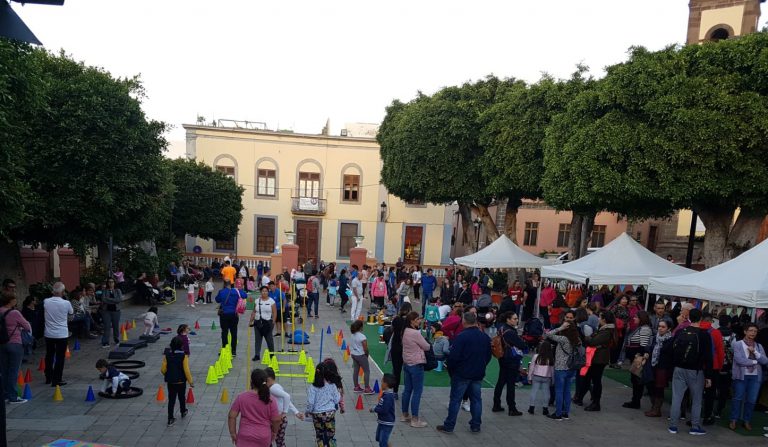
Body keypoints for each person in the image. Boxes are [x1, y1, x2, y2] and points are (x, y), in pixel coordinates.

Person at [436, 311, 492, 434]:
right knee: (476, 399)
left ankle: (449, 425)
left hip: (462, 373)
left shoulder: (461, 337)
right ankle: (476, 424)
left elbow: (454, 357)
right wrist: (481, 366)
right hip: (477, 373)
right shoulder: (484, 337)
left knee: (455, 400)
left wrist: (452, 370)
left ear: (464, 321)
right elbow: (488, 356)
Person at [668, 308, 712, 436]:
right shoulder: (704, 335)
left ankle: (673, 426)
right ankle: (695, 426)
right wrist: (709, 376)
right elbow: (708, 357)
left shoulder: (681, 331)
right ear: (701, 319)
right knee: (697, 399)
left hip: (678, 368)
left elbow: (672, 349)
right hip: (696, 371)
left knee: (677, 398)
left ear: (689, 317)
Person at [729, 323, 768, 431]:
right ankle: (733, 419)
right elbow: (739, 360)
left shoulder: (759, 346)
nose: (753, 333)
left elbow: (765, 361)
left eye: (755, 331)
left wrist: (754, 351)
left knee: (751, 400)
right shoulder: (738, 344)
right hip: (741, 376)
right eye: (751, 330)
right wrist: (756, 361)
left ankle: (746, 420)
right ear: (745, 331)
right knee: (737, 398)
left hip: (755, 377)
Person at [575, 310, 616, 411]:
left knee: (595, 380)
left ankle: (596, 403)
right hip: (596, 358)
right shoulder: (605, 329)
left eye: (600, 317)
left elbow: (593, 341)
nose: (598, 319)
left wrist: (587, 338)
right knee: (588, 378)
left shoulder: (607, 331)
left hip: (599, 359)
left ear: (604, 320)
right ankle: (579, 397)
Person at [543, 315, 581, 420]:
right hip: (571, 368)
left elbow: (548, 334)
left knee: (559, 391)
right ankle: (565, 413)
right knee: (567, 391)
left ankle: (558, 413)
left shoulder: (563, 339)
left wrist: (561, 328)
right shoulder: (577, 340)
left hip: (560, 368)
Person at [229, 368, 281, 446]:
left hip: (245, 435)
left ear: (251, 382)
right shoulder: (270, 399)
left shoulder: (241, 397)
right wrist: (274, 432)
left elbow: (231, 416)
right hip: (263, 436)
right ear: (265, 382)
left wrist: (233, 433)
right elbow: (276, 420)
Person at [492, 311, 527, 416]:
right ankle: (512, 408)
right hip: (511, 359)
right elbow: (521, 344)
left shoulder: (502, 328)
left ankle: (496, 404)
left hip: (502, 357)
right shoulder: (511, 332)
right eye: (514, 319)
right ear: (508, 319)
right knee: (510, 384)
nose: (517, 320)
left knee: (501, 381)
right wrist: (523, 343)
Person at [1, 291, 32, 403]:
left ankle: (4, 395)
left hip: (2, 344)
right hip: (15, 344)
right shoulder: (14, 313)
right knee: (14, 371)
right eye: (15, 299)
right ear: (11, 301)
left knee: (4, 370)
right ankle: (13, 397)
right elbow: (27, 326)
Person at [401, 311, 430, 428]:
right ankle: (415, 419)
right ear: (412, 321)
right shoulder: (415, 333)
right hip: (416, 364)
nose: (420, 321)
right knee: (417, 392)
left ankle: (404, 414)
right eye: (418, 319)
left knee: (407, 390)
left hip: (407, 363)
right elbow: (426, 346)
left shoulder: (405, 331)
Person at [306, 362, 342, 446]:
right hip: (330, 414)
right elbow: (337, 400)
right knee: (331, 437)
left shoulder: (313, 387)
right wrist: (339, 393)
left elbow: (310, 402)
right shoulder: (332, 385)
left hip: (317, 414)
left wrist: (308, 411)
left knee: (320, 436)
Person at [43, 282, 72, 387]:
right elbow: (71, 314)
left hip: (49, 333)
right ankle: (57, 379)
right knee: (60, 357)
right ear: (63, 292)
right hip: (62, 334)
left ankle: (48, 377)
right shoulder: (66, 303)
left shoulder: (46, 301)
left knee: (49, 355)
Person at [265, 367, 303, 447]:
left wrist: (284, 412)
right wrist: (296, 412)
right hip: (282, 420)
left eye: (265, 381)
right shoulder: (277, 385)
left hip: (278, 419)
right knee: (280, 441)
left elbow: (287, 396)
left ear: (269, 379)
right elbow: (286, 399)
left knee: (269, 441)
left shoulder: (272, 388)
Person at [623, 311, 653, 409]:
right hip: (636, 358)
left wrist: (638, 356)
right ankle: (635, 400)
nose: (634, 319)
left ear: (641, 318)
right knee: (635, 380)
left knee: (637, 381)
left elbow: (644, 345)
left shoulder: (644, 329)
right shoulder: (641, 328)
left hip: (638, 359)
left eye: (636, 317)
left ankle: (636, 402)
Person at [644, 319, 674, 417]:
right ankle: (654, 408)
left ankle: (657, 410)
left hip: (663, 367)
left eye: (663, 327)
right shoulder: (655, 337)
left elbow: (669, 355)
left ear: (669, 328)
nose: (660, 329)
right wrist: (647, 352)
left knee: (659, 388)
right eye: (659, 326)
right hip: (653, 365)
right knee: (651, 385)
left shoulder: (670, 340)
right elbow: (650, 348)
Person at [162, 336, 194, 426]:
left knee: (171, 399)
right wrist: (190, 381)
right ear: (181, 346)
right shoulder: (183, 356)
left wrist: (168, 374)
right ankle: (183, 411)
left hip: (171, 381)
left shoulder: (167, 355)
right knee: (181, 396)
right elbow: (186, 370)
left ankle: (170, 418)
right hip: (181, 381)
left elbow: (163, 369)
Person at [700, 312, 725, 425]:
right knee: (710, 393)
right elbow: (720, 352)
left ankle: (690, 415)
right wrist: (719, 367)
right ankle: (707, 416)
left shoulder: (695, 329)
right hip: (713, 367)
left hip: (697, 366)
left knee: (696, 392)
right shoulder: (715, 333)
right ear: (711, 321)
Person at [216, 280, 247, 357]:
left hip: (224, 315)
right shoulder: (236, 291)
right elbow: (245, 295)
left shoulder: (221, 291)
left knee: (224, 332)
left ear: (224, 284)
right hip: (234, 314)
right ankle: (233, 351)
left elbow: (217, 300)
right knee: (234, 332)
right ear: (231, 284)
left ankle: (225, 349)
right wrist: (240, 288)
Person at [387, 303, 411, 397]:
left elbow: (391, 330)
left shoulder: (396, 319)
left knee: (396, 371)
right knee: (408, 370)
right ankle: (407, 390)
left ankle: (395, 391)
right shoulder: (409, 321)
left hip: (396, 347)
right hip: (407, 348)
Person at [249, 286, 277, 362]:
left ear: (268, 292)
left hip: (267, 323)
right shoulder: (257, 301)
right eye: (263, 291)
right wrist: (251, 321)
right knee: (257, 340)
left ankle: (272, 354)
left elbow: (274, 312)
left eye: (266, 291)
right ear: (260, 292)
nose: (264, 292)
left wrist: (273, 322)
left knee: (269, 340)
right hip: (257, 322)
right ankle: (257, 355)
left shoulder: (271, 301)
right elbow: (254, 311)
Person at [527, 339, 554, 415]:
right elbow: (552, 371)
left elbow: (531, 367)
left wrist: (529, 377)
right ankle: (545, 409)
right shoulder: (551, 358)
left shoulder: (536, 356)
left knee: (534, 391)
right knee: (546, 393)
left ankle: (531, 407)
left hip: (536, 376)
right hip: (546, 377)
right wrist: (553, 380)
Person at [371, 373, 397, 447]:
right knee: (378, 438)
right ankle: (388, 445)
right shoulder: (385, 394)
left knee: (382, 443)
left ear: (386, 384)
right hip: (382, 421)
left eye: (382, 382)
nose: (381, 383)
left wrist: (374, 409)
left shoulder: (388, 396)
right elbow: (382, 405)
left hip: (387, 423)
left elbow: (384, 410)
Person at [349, 320, 374, 394]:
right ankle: (367, 388)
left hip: (354, 354)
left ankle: (356, 387)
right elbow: (365, 348)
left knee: (356, 371)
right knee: (367, 371)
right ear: (360, 327)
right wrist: (367, 355)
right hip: (361, 355)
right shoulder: (362, 336)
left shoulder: (352, 335)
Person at [100, 278, 123, 348]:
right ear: (107, 283)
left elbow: (119, 299)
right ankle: (105, 342)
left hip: (116, 311)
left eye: (112, 282)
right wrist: (114, 301)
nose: (111, 283)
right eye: (109, 282)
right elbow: (104, 299)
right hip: (106, 311)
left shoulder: (118, 290)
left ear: (114, 283)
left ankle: (116, 340)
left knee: (115, 326)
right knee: (107, 326)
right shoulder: (104, 291)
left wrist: (109, 299)